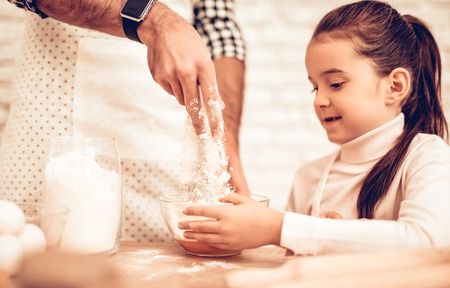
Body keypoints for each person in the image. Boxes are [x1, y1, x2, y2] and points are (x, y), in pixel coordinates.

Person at [179, 0, 450, 255]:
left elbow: (429, 242)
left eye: (335, 84)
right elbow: (294, 270)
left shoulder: (426, 157)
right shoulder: (308, 179)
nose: (319, 100)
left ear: (395, 86)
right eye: (315, 87)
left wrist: (279, 228)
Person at [1, 0, 249, 242]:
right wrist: (153, 21)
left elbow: (218, 29)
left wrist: (222, 141)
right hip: (53, 119)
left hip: (157, 142)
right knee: (39, 262)